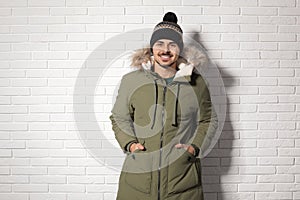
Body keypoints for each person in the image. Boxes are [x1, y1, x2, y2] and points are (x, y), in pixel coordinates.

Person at [110, 12, 218, 200]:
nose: (165, 50)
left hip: (183, 183)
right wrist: (131, 144)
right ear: (152, 48)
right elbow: (119, 117)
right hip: (138, 180)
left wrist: (193, 148)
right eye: (160, 43)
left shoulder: (197, 83)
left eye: (172, 44)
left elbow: (208, 119)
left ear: (179, 49)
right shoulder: (131, 81)